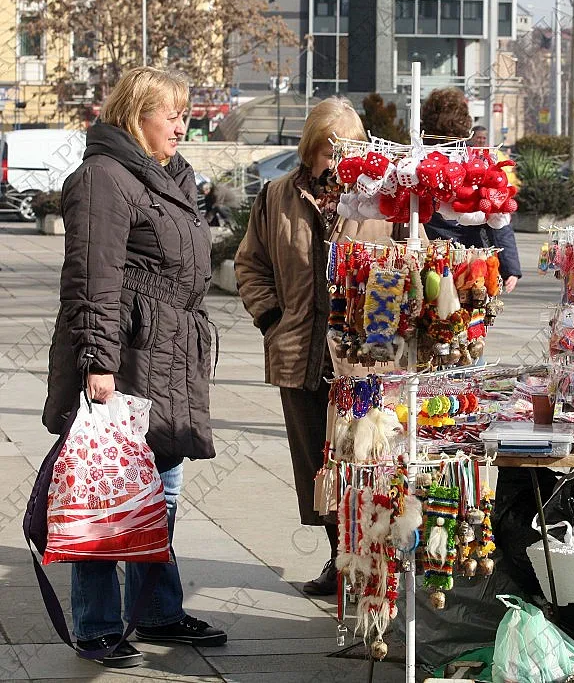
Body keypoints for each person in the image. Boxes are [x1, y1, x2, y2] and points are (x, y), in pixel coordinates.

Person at [42, 67, 226, 668]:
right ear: (134, 115)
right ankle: (97, 624)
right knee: (107, 490)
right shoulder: (103, 177)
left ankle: (155, 610)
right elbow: (92, 279)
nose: (182, 123)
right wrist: (97, 363)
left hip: (167, 355)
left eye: (184, 112)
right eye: (170, 113)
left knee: (159, 490)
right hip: (123, 357)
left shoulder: (169, 176)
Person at [234, 97, 420, 596]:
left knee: (365, 460)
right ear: (309, 150)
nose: (336, 163)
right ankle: (339, 559)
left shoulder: (384, 199)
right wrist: (271, 316)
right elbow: (249, 263)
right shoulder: (277, 196)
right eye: (327, 152)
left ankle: (372, 561)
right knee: (317, 466)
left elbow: (413, 263)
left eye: (347, 151)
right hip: (299, 353)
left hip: (365, 358)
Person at [420, 87, 522, 292]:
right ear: (463, 124)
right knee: (466, 315)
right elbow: (497, 215)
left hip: (424, 254)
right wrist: (510, 267)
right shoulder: (475, 161)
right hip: (469, 254)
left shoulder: (416, 159)